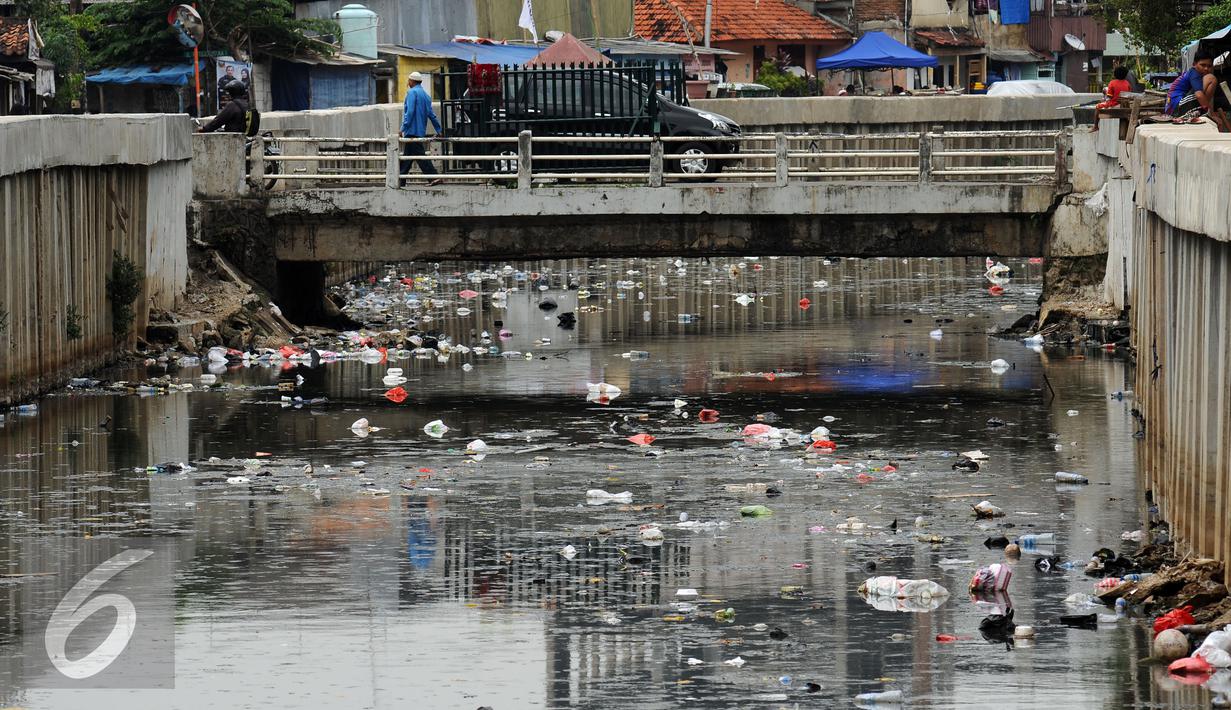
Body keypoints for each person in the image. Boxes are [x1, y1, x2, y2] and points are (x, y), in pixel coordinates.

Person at [400, 71, 442, 183]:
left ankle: (433, 177)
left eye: (409, 80)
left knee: (417, 156)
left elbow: (409, 112)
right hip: (420, 131)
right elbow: (431, 115)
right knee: (407, 158)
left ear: (412, 81)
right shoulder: (426, 96)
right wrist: (438, 129)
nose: (408, 82)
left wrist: (402, 128)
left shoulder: (411, 93)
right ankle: (400, 179)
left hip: (411, 130)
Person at [1167, 50, 1216, 116]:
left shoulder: (1196, 75)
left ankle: (1203, 111)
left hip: (1177, 107)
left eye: (1209, 66)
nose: (1206, 68)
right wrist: (1212, 115)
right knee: (1211, 78)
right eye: (1203, 65)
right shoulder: (1194, 73)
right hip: (1177, 108)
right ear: (1194, 64)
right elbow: (1199, 95)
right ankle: (1206, 112)